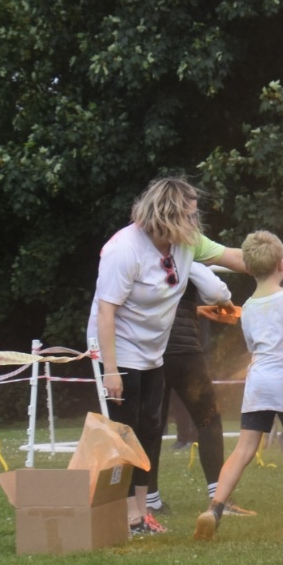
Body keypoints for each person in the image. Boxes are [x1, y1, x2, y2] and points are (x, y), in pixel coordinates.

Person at [89, 176, 248, 537]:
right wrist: (110, 370)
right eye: (189, 215)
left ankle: (142, 513)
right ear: (167, 214)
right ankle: (127, 517)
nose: (195, 222)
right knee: (126, 433)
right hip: (119, 348)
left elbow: (235, 258)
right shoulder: (124, 249)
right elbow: (105, 312)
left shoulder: (187, 242)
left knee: (149, 429)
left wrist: (277, 264)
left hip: (153, 351)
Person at [194, 231, 283, 539]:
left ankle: (215, 508)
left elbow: (253, 347)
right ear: (281, 264)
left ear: (249, 269)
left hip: (258, 382)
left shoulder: (249, 307)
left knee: (243, 450)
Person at [153, 262, 233, 515]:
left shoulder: (139, 257)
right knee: (208, 420)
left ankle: (150, 499)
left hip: (151, 352)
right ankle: (218, 497)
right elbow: (218, 293)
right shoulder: (184, 258)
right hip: (185, 353)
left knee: (150, 427)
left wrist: (195, 310)